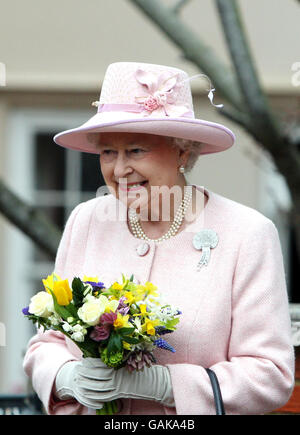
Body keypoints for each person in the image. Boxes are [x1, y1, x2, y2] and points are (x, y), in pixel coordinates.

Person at [23, 62, 294, 415]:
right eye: (108, 152)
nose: (119, 170)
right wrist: (66, 376)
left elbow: (270, 375)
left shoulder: (246, 233)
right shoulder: (86, 220)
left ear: (182, 150)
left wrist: (168, 386)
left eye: (136, 150)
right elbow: (47, 343)